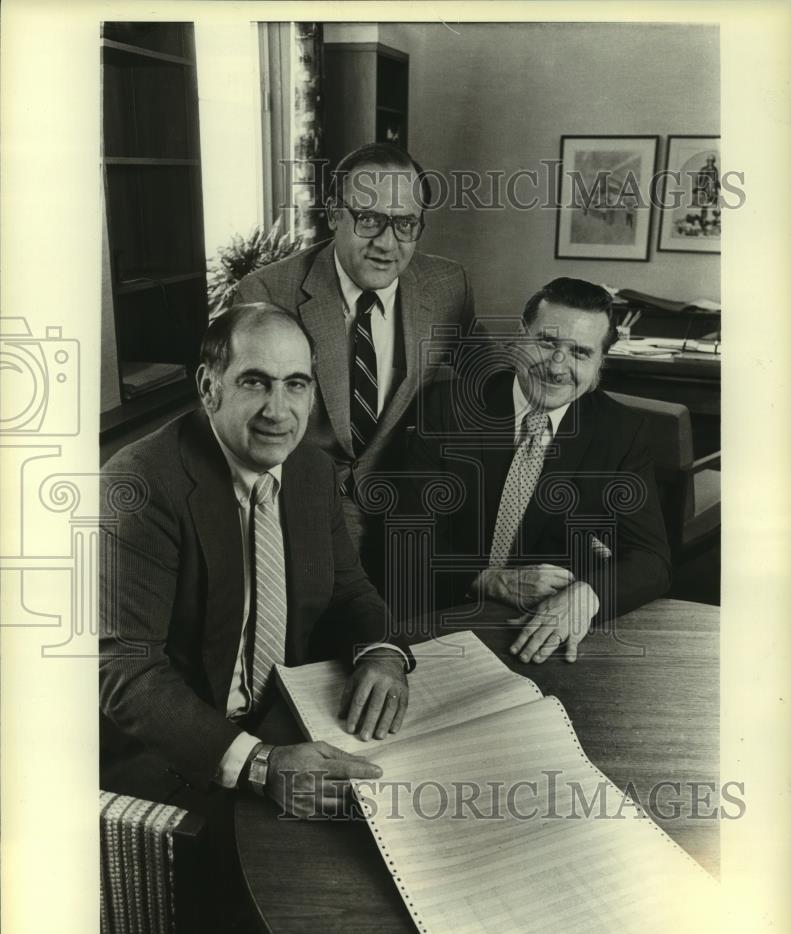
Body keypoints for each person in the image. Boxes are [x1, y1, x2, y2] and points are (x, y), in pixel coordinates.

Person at [100, 303, 413, 819]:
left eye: (296, 384)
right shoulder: (138, 486)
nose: (278, 410)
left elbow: (349, 590)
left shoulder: (311, 470)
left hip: (283, 723)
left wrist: (382, 654)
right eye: (254, 382)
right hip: (173, 758)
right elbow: (127, 672)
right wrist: (261, 764)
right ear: (208, 387)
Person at [233, 142, 476, 575]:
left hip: (409, 499)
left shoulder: (447, 286)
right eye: (368, 220)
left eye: (405, 224)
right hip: (299, 504)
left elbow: (494, 378)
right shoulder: (266, 295)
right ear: (333, 214)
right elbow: (243, 429)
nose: (387, 243)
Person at [402, 277, 671, 664]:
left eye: (580, 353)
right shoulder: (448, 408)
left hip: (548, 633)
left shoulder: (622, 433)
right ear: (519, 339)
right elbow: (407, 537)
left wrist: (587, 594)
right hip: (441, 615)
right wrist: (490, 579)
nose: (557, 367)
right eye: (547, 343)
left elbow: (652, 559)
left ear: (600, 364)